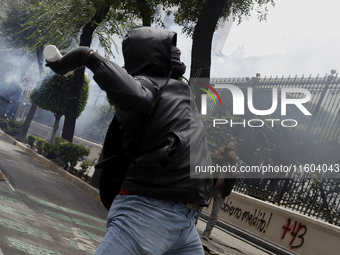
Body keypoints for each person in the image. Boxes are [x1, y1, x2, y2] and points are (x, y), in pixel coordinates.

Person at [46, 27, 213, 255]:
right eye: (170, 48)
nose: (177, 52)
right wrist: (87, 56)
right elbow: (132, 94)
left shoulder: (178, 89)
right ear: (151, 54)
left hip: (186, 221)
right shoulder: (147, 86)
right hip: (149, 213)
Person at [202, 142, 239, 241]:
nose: (228, 151)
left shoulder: (235, 161)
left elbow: (234, 172)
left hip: (221, 191)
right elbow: (209, 165)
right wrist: (218, 153)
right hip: (211, 186)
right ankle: (192, 225)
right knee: (199, 206)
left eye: (231, 149)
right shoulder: (220, 157)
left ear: (234, 152)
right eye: (227, 148)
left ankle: (207, 233)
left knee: (215, 214)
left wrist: (234, 159)